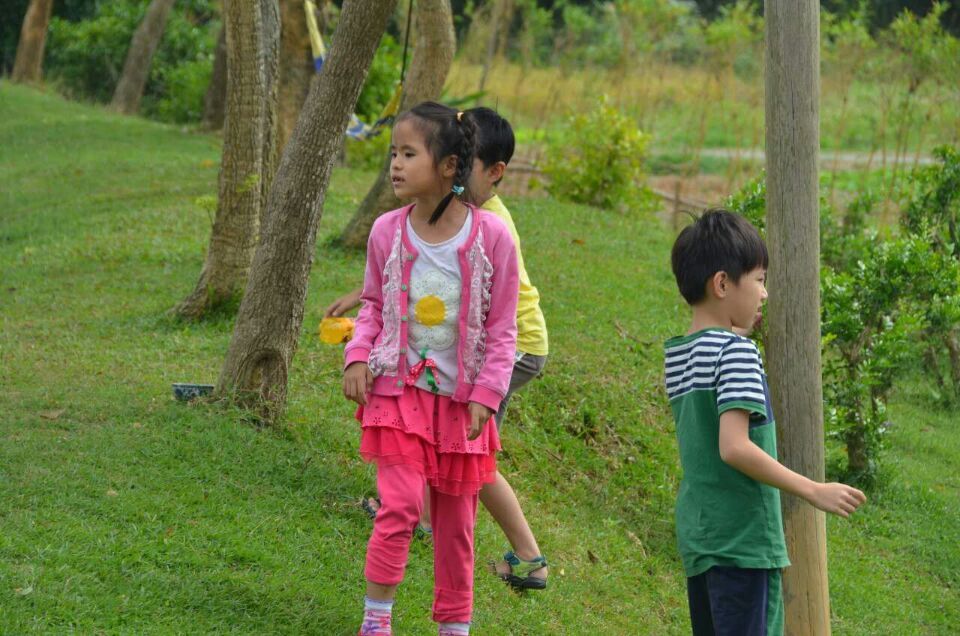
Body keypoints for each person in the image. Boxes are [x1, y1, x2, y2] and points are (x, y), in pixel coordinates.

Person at [330, 107, 550, 590]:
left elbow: (499, 321)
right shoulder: (404, 225)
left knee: (470, 460)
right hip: (438, 361)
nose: (396, 163)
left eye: (410, 154)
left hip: (511, 349)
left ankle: (528, 555)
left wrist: (486, 391)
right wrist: (359, 330)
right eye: (395, 153)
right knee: (445, 454)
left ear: (458, 166)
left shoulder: (490, 228)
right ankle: (415, 513)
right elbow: (405, 284)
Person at [664, 209, 867, 635]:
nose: (765, 293)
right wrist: (813, 489)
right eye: (759, 280)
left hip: (702, 538)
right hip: (744, 541)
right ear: (722, 284)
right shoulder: (736, 352)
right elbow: (734, 447)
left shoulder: (680, 354)